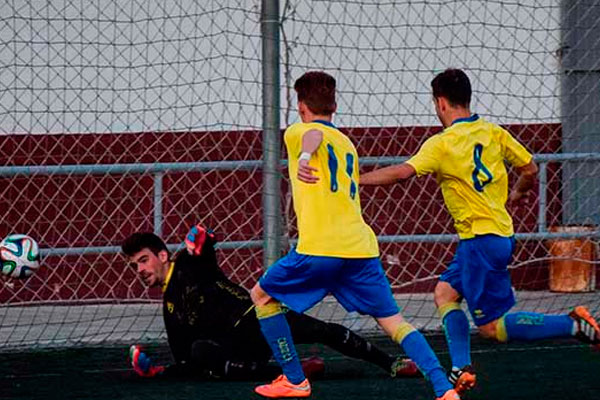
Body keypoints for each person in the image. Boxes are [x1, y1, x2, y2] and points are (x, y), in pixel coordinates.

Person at [359, 68, 600, 395]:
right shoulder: (493, 132)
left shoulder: (442, 143)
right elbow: (529, 168)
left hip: (480, 244)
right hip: (495, 237)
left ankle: (574, 325)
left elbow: (403, 173)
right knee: (445, 292)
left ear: (441, 103)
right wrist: (519, 192)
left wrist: (357, 179)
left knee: (492, 328)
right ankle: (461, 366)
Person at [249, 71, 458, 400]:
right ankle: (444, 389)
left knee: (261, 297)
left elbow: (312, 137)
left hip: (320, 248)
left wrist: (303, 156)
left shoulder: (299, 131)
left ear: (301, 107)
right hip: (360, 249)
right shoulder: (346, 144)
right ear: (335, 106)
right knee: (394, 324)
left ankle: (294, 380)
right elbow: (321, 136)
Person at [121, 228, 419, 381]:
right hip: (236, 349)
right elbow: (187, 361)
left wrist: (199, 236)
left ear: (162, 255)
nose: (141, 269)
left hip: (255, 318)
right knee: (201, 354)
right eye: (135, 266)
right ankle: (286, 372)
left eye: (143, 260)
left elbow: (204, 241)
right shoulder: (169, 308)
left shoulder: (187, 262)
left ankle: (391, 363)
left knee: (323, 330)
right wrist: (157, 372)